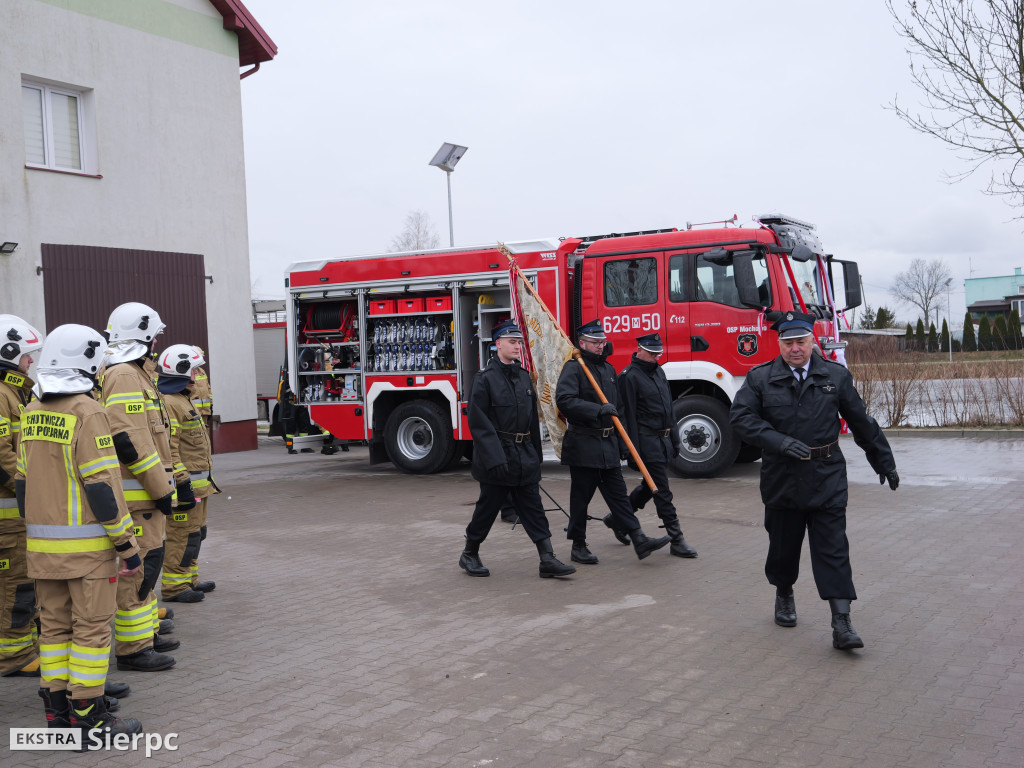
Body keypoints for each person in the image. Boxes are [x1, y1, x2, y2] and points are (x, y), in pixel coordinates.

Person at [729, 311, 899, 650]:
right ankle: (784, 593)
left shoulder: (834, 376)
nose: (795, 348)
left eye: (801, 342)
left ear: (812, 342)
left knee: (833, 549)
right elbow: (740, 417)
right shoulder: (761, 378)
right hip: (782, 478)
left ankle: (842, 623)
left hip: (827, 476)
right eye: (788, 343)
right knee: (783, 549)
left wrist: (883, 461)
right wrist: (777, 441)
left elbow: (861, 421)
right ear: (779, 344)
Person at [17, 324, 143, 740]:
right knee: (91, 629)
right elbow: (102, 488)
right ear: (89, 361)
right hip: (89, 552)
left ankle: (57, 714)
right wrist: (127, 546)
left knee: (53, 630)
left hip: (41, 549)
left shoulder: (31, 411)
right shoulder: (87, 412)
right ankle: (89, 717)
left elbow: (21, 484)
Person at [458, 320, 575, 579]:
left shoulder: (523, 377)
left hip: (523, 457)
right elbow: (478, 422)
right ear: (497, 344)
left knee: (533, 508)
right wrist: (495, 458)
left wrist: (535, 455)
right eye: (512, 342)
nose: (517, 346)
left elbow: (532, 421)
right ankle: (469, 553)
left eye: (519, 342)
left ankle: (547, 559)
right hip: (498, 459)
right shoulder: (485, 379)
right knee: (487, 510)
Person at [101, 303, 178, 671]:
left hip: (145, 494)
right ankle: (133, 651)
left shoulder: (136, 372)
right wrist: (161, 488)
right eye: (155, 335)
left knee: (149, 565)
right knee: (138, 571)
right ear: (143, 336)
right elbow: (129, 440)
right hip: (139, 496)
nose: (159, 341)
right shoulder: (124, 376)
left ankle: (145, 635)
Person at [554, 319, 670, 564]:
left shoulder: (608, 371)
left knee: (618, 496)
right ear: (582, 343)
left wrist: (622, 444)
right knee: (581, 498)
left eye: (602, 342)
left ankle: (639, 539)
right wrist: (597, 410)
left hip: (607, 446)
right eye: (595, 343)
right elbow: (565, 401)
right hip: (584, 444)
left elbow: (618, 411)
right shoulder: (574, 368)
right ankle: (578, 545)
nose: (600, 346)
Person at [603, 333, 698, 558]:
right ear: (639, 350)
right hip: (645, 442)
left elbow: (669, 409)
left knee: (650, 485)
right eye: (652, 354)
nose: (656, 357)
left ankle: (617, 519)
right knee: (661, 490)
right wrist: (630, 449)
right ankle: (677, 538)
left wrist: (675, 439)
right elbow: (627, 416)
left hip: (662, 440)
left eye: (658, 354)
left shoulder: (659, 371)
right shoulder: (629, 377)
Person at [0, 315, 43, 678]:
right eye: (27, 356)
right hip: (8, 515)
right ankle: (14, 656)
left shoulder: (14, 391)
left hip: (16, 513)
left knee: (22, 583)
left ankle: (24, 644)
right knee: (15, 584)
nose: (31, 362)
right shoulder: (2, 393)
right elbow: (2, 456)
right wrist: (32, 488)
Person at [157, 345, 216, 601]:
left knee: (196, 533)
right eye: (192, 370)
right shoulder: (170, 403)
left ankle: (189, 579)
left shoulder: (183, 398)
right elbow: (169, 449)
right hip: (186, 486)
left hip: (200, 485)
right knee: (182, 536)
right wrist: (182, 483)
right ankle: (174, 587)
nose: (196, 376)